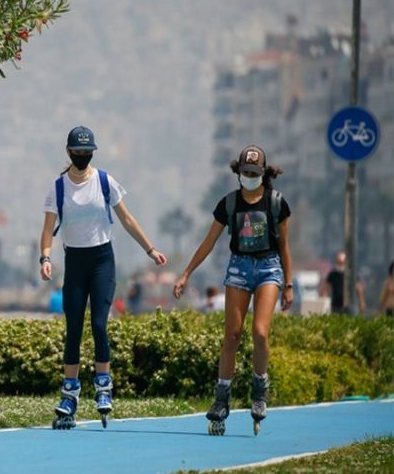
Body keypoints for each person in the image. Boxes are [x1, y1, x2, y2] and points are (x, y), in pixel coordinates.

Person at [40, 125, 167, 429]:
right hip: (75, 262)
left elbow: (126, 218)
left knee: (98, 322)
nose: (83, 156)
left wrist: (150, 248)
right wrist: (45, 257)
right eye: (78, 152)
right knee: (73, 326)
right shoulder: (58, 188)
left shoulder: (104, 181)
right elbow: (47, 230)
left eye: (88, 152)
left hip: (102, 261)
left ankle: (103, 386)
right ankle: (69, 394)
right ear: (69, 152)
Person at [173, 145, 292, 436]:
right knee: (232, 336)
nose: (250, 176)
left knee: (260, 332)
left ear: (263, 174)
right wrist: (186, 273)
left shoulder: (276, 203)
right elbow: (209, 241)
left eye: (255, 173)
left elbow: (284, 247)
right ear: (238, 173)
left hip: (268, 268)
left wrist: (288, 284)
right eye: (245, 172)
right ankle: (222, 398)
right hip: (238, 268)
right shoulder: (228, 204)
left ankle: (259, 387)